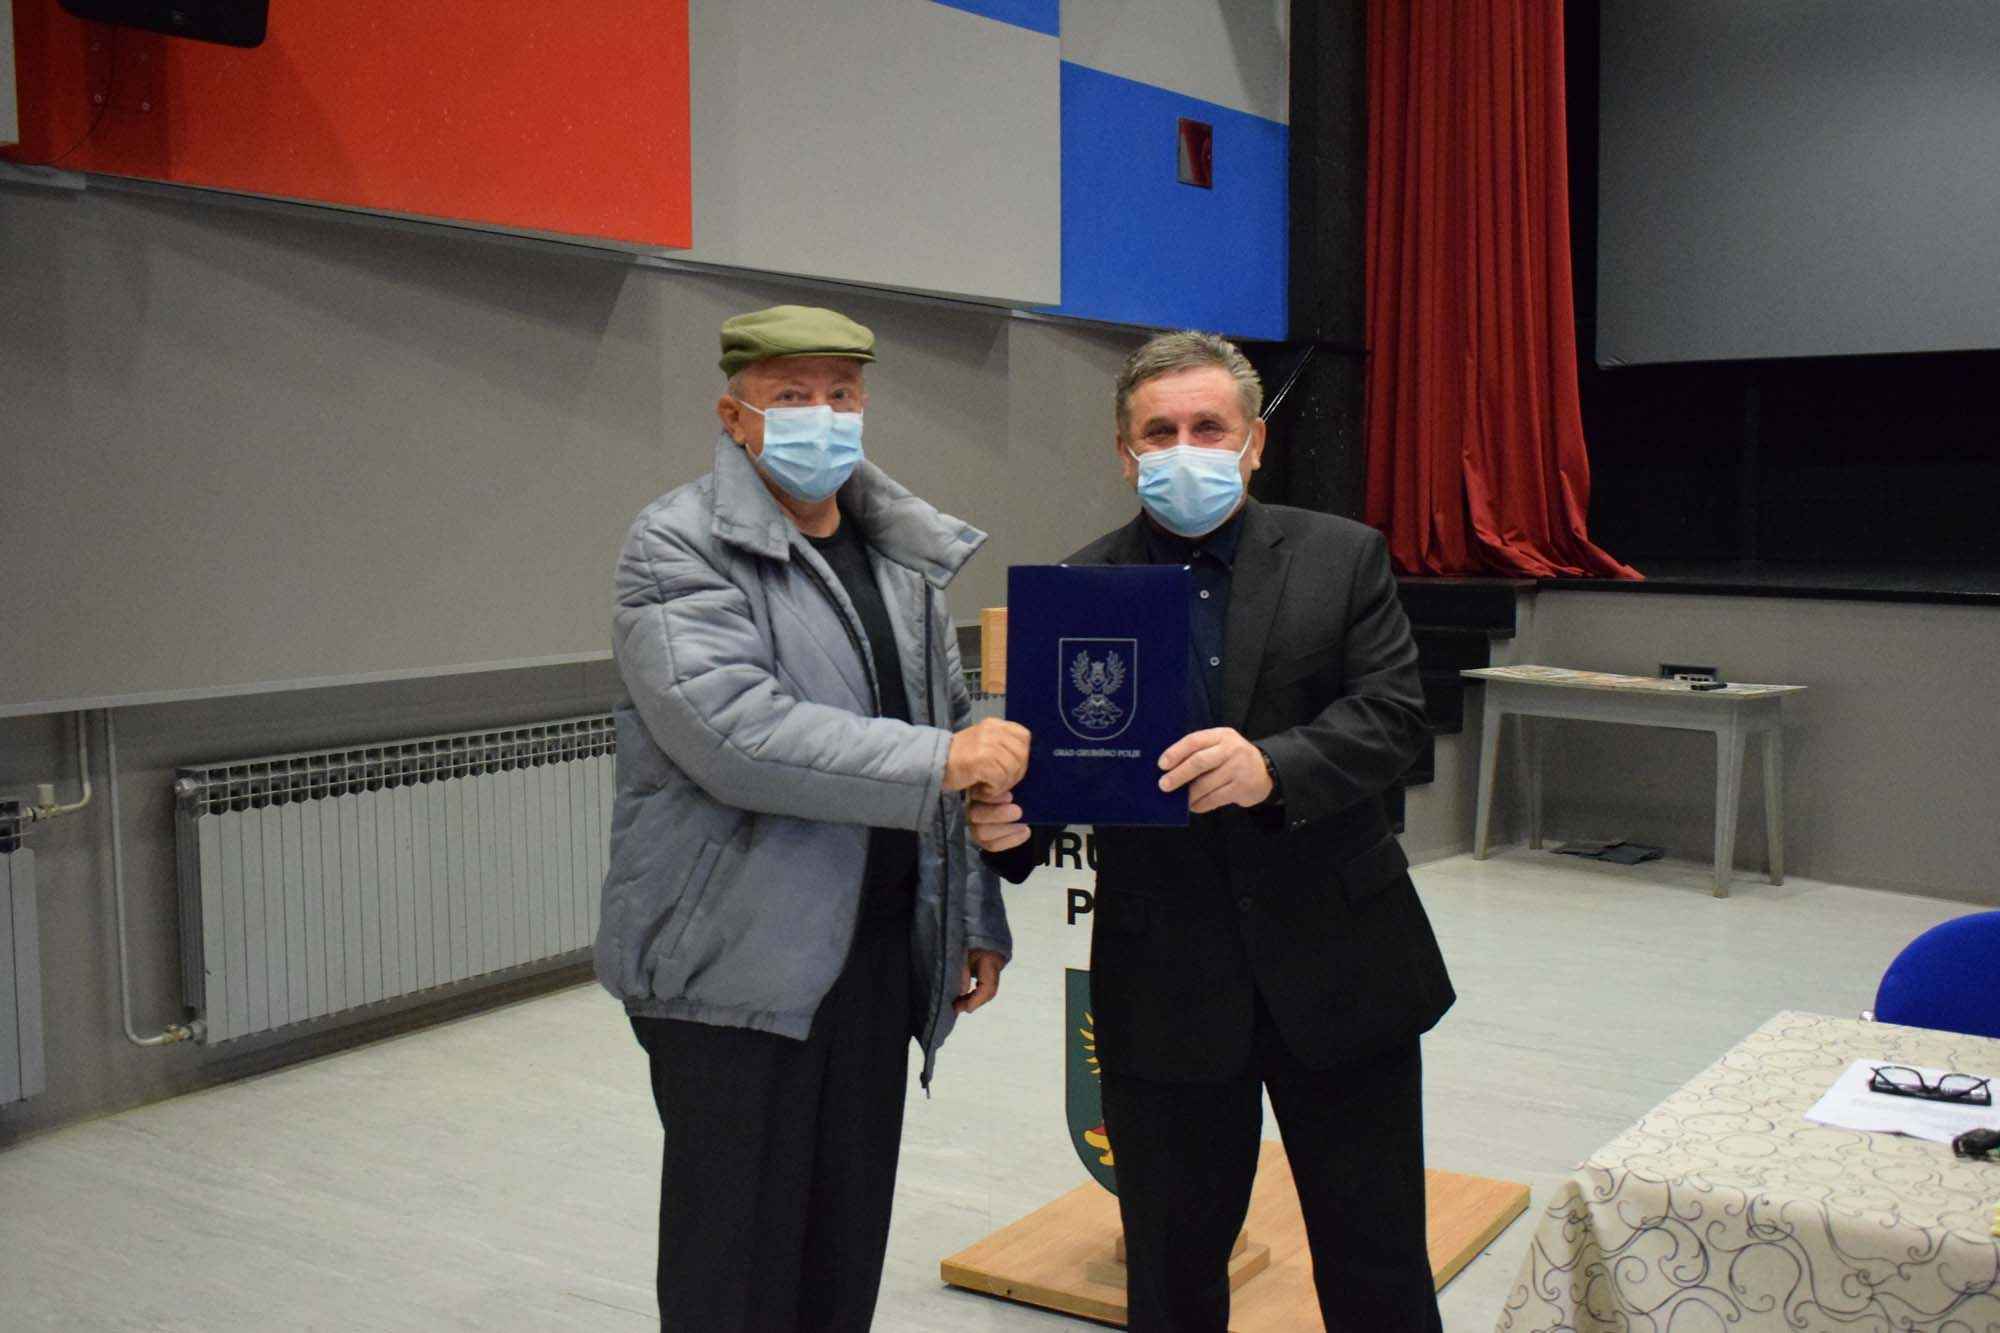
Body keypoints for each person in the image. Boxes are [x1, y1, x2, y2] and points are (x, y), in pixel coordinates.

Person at [972, 330, 1455, 1332]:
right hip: (1166, 985)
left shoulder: (1341, 556)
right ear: (1124, 452)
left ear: (1253, 443)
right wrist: (1005, 823)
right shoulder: (1079, 588)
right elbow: (1052, 791)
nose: (1183, 448)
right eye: (1159, 432)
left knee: (1376, 1266)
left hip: (1342, 964)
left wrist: (1272, 765)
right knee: (1172, 1276)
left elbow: (1392, 716)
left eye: (1207, 426)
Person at [596, 304, 1029, 1331]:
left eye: (841, 394)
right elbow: (735, 733)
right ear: (733, 416)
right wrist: (945, 760)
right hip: (735, 963)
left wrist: (971, 914)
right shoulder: (676, 543)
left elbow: (950, 727)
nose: (821, 415)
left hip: (874, 960)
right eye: (790, 395)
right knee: (735, 1269)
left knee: (841, 1249)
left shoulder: (896, 554)